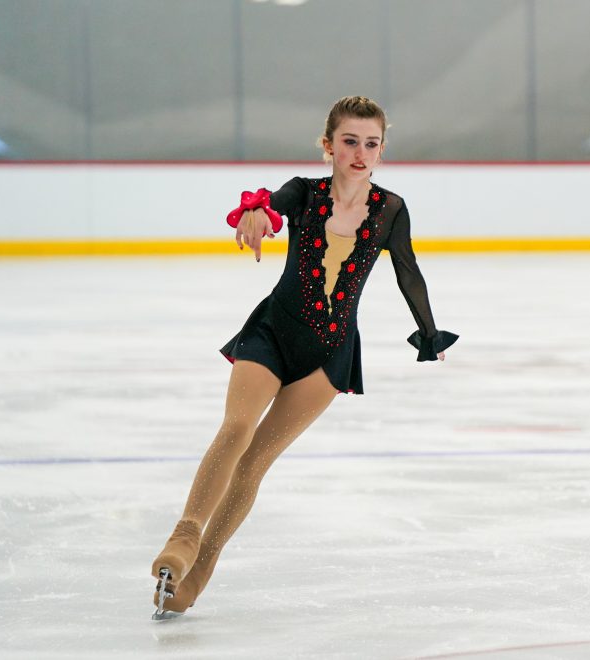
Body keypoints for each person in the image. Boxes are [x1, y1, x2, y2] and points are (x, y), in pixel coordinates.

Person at [149, 96, 458, 619]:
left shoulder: (390, 209)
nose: (360, 153)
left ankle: (201, 569)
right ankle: (184, 537)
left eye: (371, 143)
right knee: (236, 429)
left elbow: (408, 270)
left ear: (382, 149)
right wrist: (254, 213)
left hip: (330, 353)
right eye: (349, 141)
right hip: (274, 333)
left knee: (255, 464)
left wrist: (428, 333)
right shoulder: (306, 193)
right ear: (328, 146)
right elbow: (268, 203)